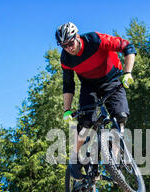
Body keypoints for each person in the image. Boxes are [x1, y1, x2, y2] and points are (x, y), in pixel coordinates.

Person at [55, 22, 137, 180]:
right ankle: (75, 159)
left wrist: (128, 73)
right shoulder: (66, 58)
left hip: (111, 79)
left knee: (120, 116)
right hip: (89, 86)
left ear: (77, 37)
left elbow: (128, 47)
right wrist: (66, 110)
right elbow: (68, 84)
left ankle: (113, 161)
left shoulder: (95, 40)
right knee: (85, 123)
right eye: (64, 46)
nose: (69, 48)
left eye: (70, 43)